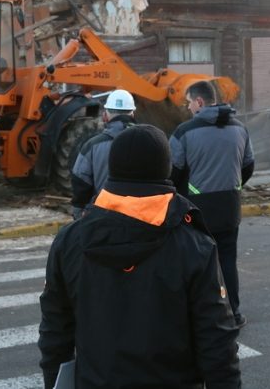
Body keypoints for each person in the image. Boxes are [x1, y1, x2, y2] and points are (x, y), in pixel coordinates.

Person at [38, 124, 241, 389]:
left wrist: (54, 382)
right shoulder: (193, 245)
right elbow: (217, 343)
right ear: (166, 169)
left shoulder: (69, 241)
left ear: (113, 168)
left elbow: (55, 334)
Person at [171, 80, 255, 328]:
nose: (187, 107)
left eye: (188, 102)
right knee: (227, 259)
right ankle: (233, 313)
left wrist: (182, 195)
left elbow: (172, 172)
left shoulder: (184, 132)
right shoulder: (240, 129)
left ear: (199, 102)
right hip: (230, 205)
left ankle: (200, 315)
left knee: (196, 263)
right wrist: (234, 185)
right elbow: (248, 165)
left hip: (196, 209)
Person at [70, 89, 136, 218]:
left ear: (105, 115)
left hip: (102, 216)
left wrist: (78, 213)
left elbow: (80, 181)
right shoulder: (150, 142)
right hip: (140, 217)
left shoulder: (92, 146)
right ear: (133, 114)